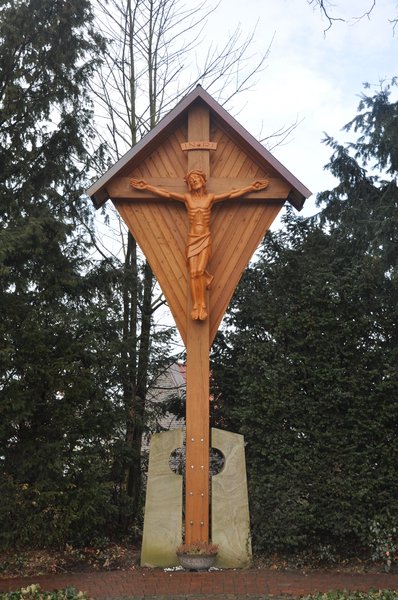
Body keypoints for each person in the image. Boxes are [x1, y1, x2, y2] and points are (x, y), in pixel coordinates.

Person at [130, 170, 269, 321]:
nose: (194, 181)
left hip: (205, 237)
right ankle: (196, 305)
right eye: (191, 180)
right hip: (192, 239)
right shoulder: (187, 198)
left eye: (196, 178)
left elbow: (230, 195)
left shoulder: (210, 198)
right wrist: (147, 187)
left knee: (200, 270)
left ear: (203, 180)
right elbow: (167, 194)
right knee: (193, 273)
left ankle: (202, 304)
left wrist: (251, 188)